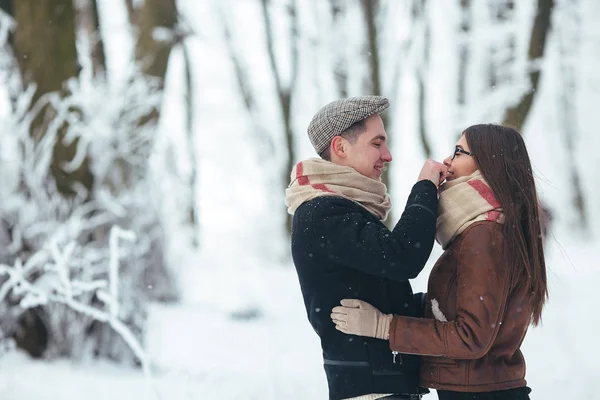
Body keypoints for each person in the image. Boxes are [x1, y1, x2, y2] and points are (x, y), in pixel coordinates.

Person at [331, 124, 547, 400]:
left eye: (459, 152)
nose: (447, 160)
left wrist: (384, 326)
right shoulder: (494, 226)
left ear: (488, 163)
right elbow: (468, 312)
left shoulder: (484, 233)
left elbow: (471, 336)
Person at [285, 95, 447, 400]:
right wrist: (424, 189)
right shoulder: (323, 213)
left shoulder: (345, 210)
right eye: (377, 143)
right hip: (372, 391)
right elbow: (402, 257)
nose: (388, 155)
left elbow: (386, 295)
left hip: (382, 387)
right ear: (340, 147)